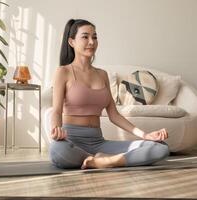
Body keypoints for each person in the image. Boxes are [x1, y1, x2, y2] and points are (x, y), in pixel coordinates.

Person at [49, 19, 169, 169]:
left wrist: (145, 135)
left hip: (99, 142)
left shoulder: (102, 75)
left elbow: (114, 115)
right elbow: (56, 111)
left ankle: (107, 161)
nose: (91, 42)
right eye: (85, 37)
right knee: (57, 150)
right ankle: (98, 160)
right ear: (72, 42)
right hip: (71, 141)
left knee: (160, 147)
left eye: (95, 37)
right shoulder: (63, 72)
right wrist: (56, 130)